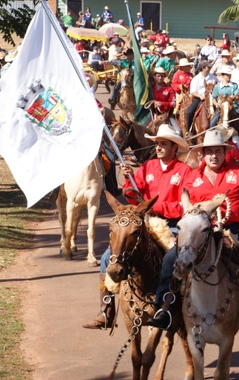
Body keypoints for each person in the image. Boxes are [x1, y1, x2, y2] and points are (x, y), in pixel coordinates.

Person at [148, 129, 239, 332]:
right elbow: (185, 205)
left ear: (225, 153)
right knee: (171, 258)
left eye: (218, 151)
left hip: (235, 228)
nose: (214, 155)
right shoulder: (190, 178)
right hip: (201, 232)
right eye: (209, 151)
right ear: (202, 154)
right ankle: (164, 308)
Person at [82, 125, 190, 330]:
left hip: (171, 225)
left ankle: (174, 303)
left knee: (175, 258)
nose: (158, 147)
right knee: (108, 257)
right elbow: (132, 197)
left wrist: (155, 206)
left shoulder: (185, 171)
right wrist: (128, 181)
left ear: (174, 147)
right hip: (143, 222)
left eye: (163, 144)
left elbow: (184, 205)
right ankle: (106, 309)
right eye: (157, 144)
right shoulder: (147, 167)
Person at [186, 61, 218, 132]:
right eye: (208, 67)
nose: (210, 68)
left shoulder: (214, 78)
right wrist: (200, 96)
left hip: (212, 98)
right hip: (200, 98)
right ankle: (188, 131)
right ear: (203, 68)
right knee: (190, 112)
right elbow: (193, 92)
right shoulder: (196, 79)